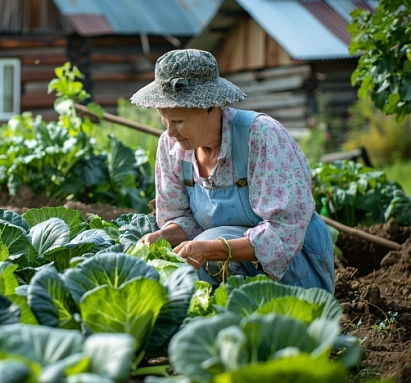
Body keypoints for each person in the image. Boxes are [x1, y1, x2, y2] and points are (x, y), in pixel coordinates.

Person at [130, 49, 335, 293]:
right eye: (165, 118)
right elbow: (185, 219)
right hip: (231, 274)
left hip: (295, 277)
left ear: (209, 106)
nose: (171, 132)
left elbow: (284, 231)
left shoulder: (261, 136)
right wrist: (163, 236)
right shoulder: (171, 146)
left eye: (179, 121)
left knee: (206, 242)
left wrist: (210, 249)